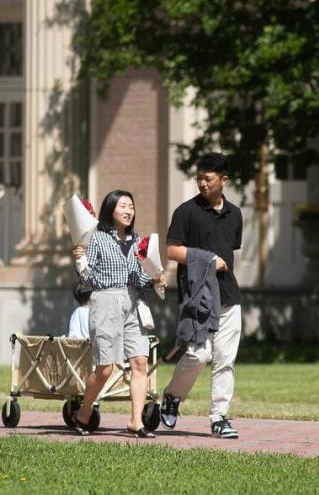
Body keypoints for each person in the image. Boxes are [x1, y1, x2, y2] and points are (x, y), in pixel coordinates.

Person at [160, 152, 243, 439]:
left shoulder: (235, 214)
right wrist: (207, 258)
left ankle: (219, 417)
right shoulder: (186, 212)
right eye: (199, 179)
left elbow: (232, 251)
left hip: (229, 297)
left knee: (225, 359)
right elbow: (171, 251)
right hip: (198, 297)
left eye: (208, 179)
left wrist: (218, 263)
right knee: (198, 355)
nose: (203, 184)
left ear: (224, 180)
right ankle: (172, 396)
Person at [71, 189, 166, 438]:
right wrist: (80, 260)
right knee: (105, 368)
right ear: (110, 209)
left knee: (140, 362)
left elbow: (140, 277)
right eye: (123, 206)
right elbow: (87, 276)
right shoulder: (96, 238)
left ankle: (135, 421)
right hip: (105, 301)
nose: (128, 211)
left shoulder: (138, 241)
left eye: (131, 207)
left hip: (134, 301)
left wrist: (156, 278)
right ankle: (84, 412)